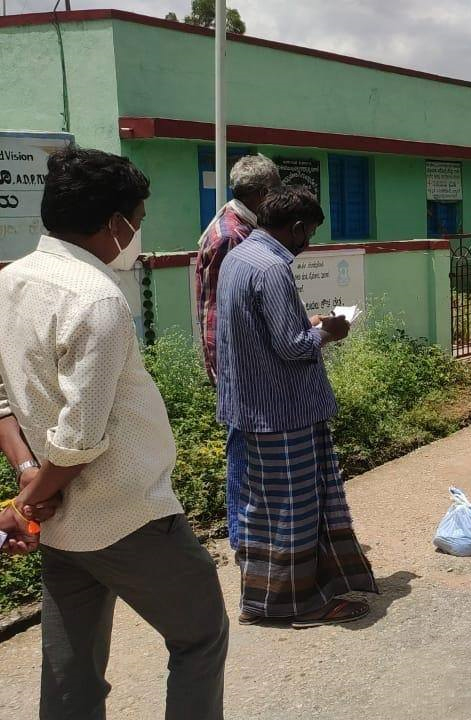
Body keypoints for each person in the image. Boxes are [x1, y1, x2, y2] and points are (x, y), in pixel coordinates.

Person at [0, 146, 228, 719]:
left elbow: (5, 400)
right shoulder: (96, 298)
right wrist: (30, 500)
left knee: (71, 670)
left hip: (61, 526)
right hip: (127, 515)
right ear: (114, 223)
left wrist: (29, 483)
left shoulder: (9, 283)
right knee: (200, 634)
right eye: (139, 222)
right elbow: (81, 437)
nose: (137, 238)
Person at [216, 186, 377, 628]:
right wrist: (330, 333)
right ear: (299, 227)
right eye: (309, 235)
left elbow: (258, 331)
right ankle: (297, 604)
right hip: (282, 412)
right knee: (295, 510)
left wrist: (308, 325)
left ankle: (261, 598)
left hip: (251, 408)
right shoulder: (272, 269)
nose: (308, 244)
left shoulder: (239, 258)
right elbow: (290, 348)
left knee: (262, 508)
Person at [194, 154, 281, 551]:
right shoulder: (234, 235)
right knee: (244, 451)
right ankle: (244, 536)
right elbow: (234, 308)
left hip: (236, 356)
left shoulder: (238, 225)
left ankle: (253, 531)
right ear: (264, 194)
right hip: (236, 360)